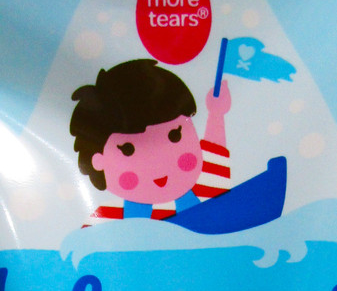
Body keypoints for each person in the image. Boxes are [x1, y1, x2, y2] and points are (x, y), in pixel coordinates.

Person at [70, 58, 232, 221]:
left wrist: (216, 114)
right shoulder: (107, 218)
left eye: (175, 135)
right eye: (128, 149)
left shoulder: (206, 189)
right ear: (97, 161)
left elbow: (214, 152)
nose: (159, 160)